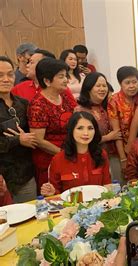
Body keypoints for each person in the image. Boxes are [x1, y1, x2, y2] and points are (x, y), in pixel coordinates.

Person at [28, 58, 77, 190]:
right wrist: (62, 153)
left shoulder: (65, 96)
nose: (66, 79)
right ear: (47, 81)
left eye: (66, 75)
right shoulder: (38, 104)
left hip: (69, 153)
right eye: (61, 77)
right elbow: (38, 140)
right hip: (49, 160)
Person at [40, 112, 111, 195]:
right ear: (71, 130)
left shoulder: (102, 154)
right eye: (80, 128)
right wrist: (51, 191)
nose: (86, 133)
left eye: (90, 128)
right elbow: (56, 193)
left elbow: (107, 185)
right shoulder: (58, 159)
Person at [0, 56, 37, 202]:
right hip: (2, 176)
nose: (6, 79)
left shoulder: (22, 103)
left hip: (25, 173)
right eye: (0, 75)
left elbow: (33, 133)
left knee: (30, 218)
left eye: (10, 74)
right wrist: (17, 140)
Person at [75, 72, 122, 181]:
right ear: (89, 88)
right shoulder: (80, 111)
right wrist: (108, 137)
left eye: (104, 85)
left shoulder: (107, 107)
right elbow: (81, 139)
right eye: (98, 86)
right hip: (92, 158)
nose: (102, 89)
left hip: (112, 156)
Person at [108, 66, 138, 176]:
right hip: (124, 149)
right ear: (120, 83)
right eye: (127, 83)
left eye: (134, 82)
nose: (132, 86)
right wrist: (123, 158)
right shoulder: (114, 100)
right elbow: (116, 133)